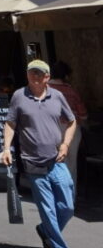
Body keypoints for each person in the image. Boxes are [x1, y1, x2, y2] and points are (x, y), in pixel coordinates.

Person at [1, 59, 77, 248]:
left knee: (67, 207)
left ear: (47, 77)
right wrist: (6, 148)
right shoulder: (19, 96)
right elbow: (10, 123)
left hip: (56, 159)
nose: (34, 77)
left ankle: (45, 231)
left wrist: (65, 144)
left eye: (39, 74)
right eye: (31, 73)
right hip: (33, 161)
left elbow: (71, 121)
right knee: (48, 208)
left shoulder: (57, 96)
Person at [48, 60, 88, 192]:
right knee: (70, 164)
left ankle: (54, 192)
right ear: (65, 76)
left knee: (52, 162)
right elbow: (83, 115)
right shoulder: (71, 91)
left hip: (49, 129)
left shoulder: (45, 90)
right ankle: (70, 196)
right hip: (72, 129)